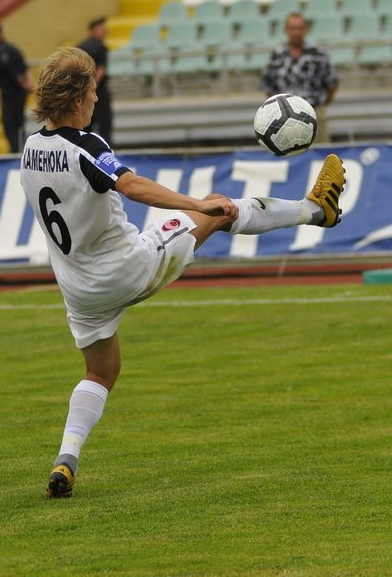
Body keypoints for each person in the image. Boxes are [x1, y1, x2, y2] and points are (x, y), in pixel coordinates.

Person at [20, 47, 346, 499]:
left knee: (101, 372)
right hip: (127, 267)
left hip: (78, 289)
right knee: (220, 206)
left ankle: (66, 459)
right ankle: (315, 211)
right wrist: (196, 205)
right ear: (77, 98)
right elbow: (131, 184)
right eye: (93, 90)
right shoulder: (87, 147)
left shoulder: (31, 147)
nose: (96, 97)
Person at [260, 12, 339, 143]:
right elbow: (267, 85)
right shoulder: (277, 55)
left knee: (320, 153)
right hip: (283, 119)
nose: (296, 32)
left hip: (314, 114)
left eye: (300, 28)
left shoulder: (318, 53)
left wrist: (319, 105)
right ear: (286, 30)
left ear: (306, 29)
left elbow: (332, 83)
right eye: (293, 28)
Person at [0, 23, 31, 153]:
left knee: (12, 126)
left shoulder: (6, 51)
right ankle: (18, 151)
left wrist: (25, 87)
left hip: (13, 95)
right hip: (12, 94)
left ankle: (18, 153)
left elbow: (18, 74)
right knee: (13, 126)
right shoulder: (6, 50)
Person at [76, 17, 113, 146]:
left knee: (85, 124)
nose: (105, 31)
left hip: (82, 92)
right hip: (98, 91)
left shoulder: (79, 47)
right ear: (93, 30)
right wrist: (92, 86)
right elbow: (101, 69)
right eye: (102, 29)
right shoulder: (100, 47)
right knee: (104, 124)